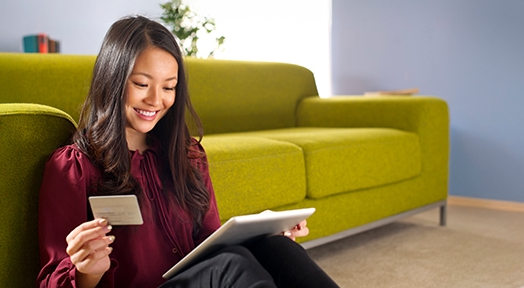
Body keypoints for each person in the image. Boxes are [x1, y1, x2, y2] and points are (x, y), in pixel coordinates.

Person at [36, 15, 339, 288]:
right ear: (112, 80)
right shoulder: (73, 168)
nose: (156, 100)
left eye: (169, 87)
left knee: (278, 248)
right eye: (142, 84)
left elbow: (210, 244)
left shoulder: (187, 155)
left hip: (194, 279)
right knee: (230, 267)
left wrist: (260, 232)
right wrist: (86, 272)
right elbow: (52, 279)